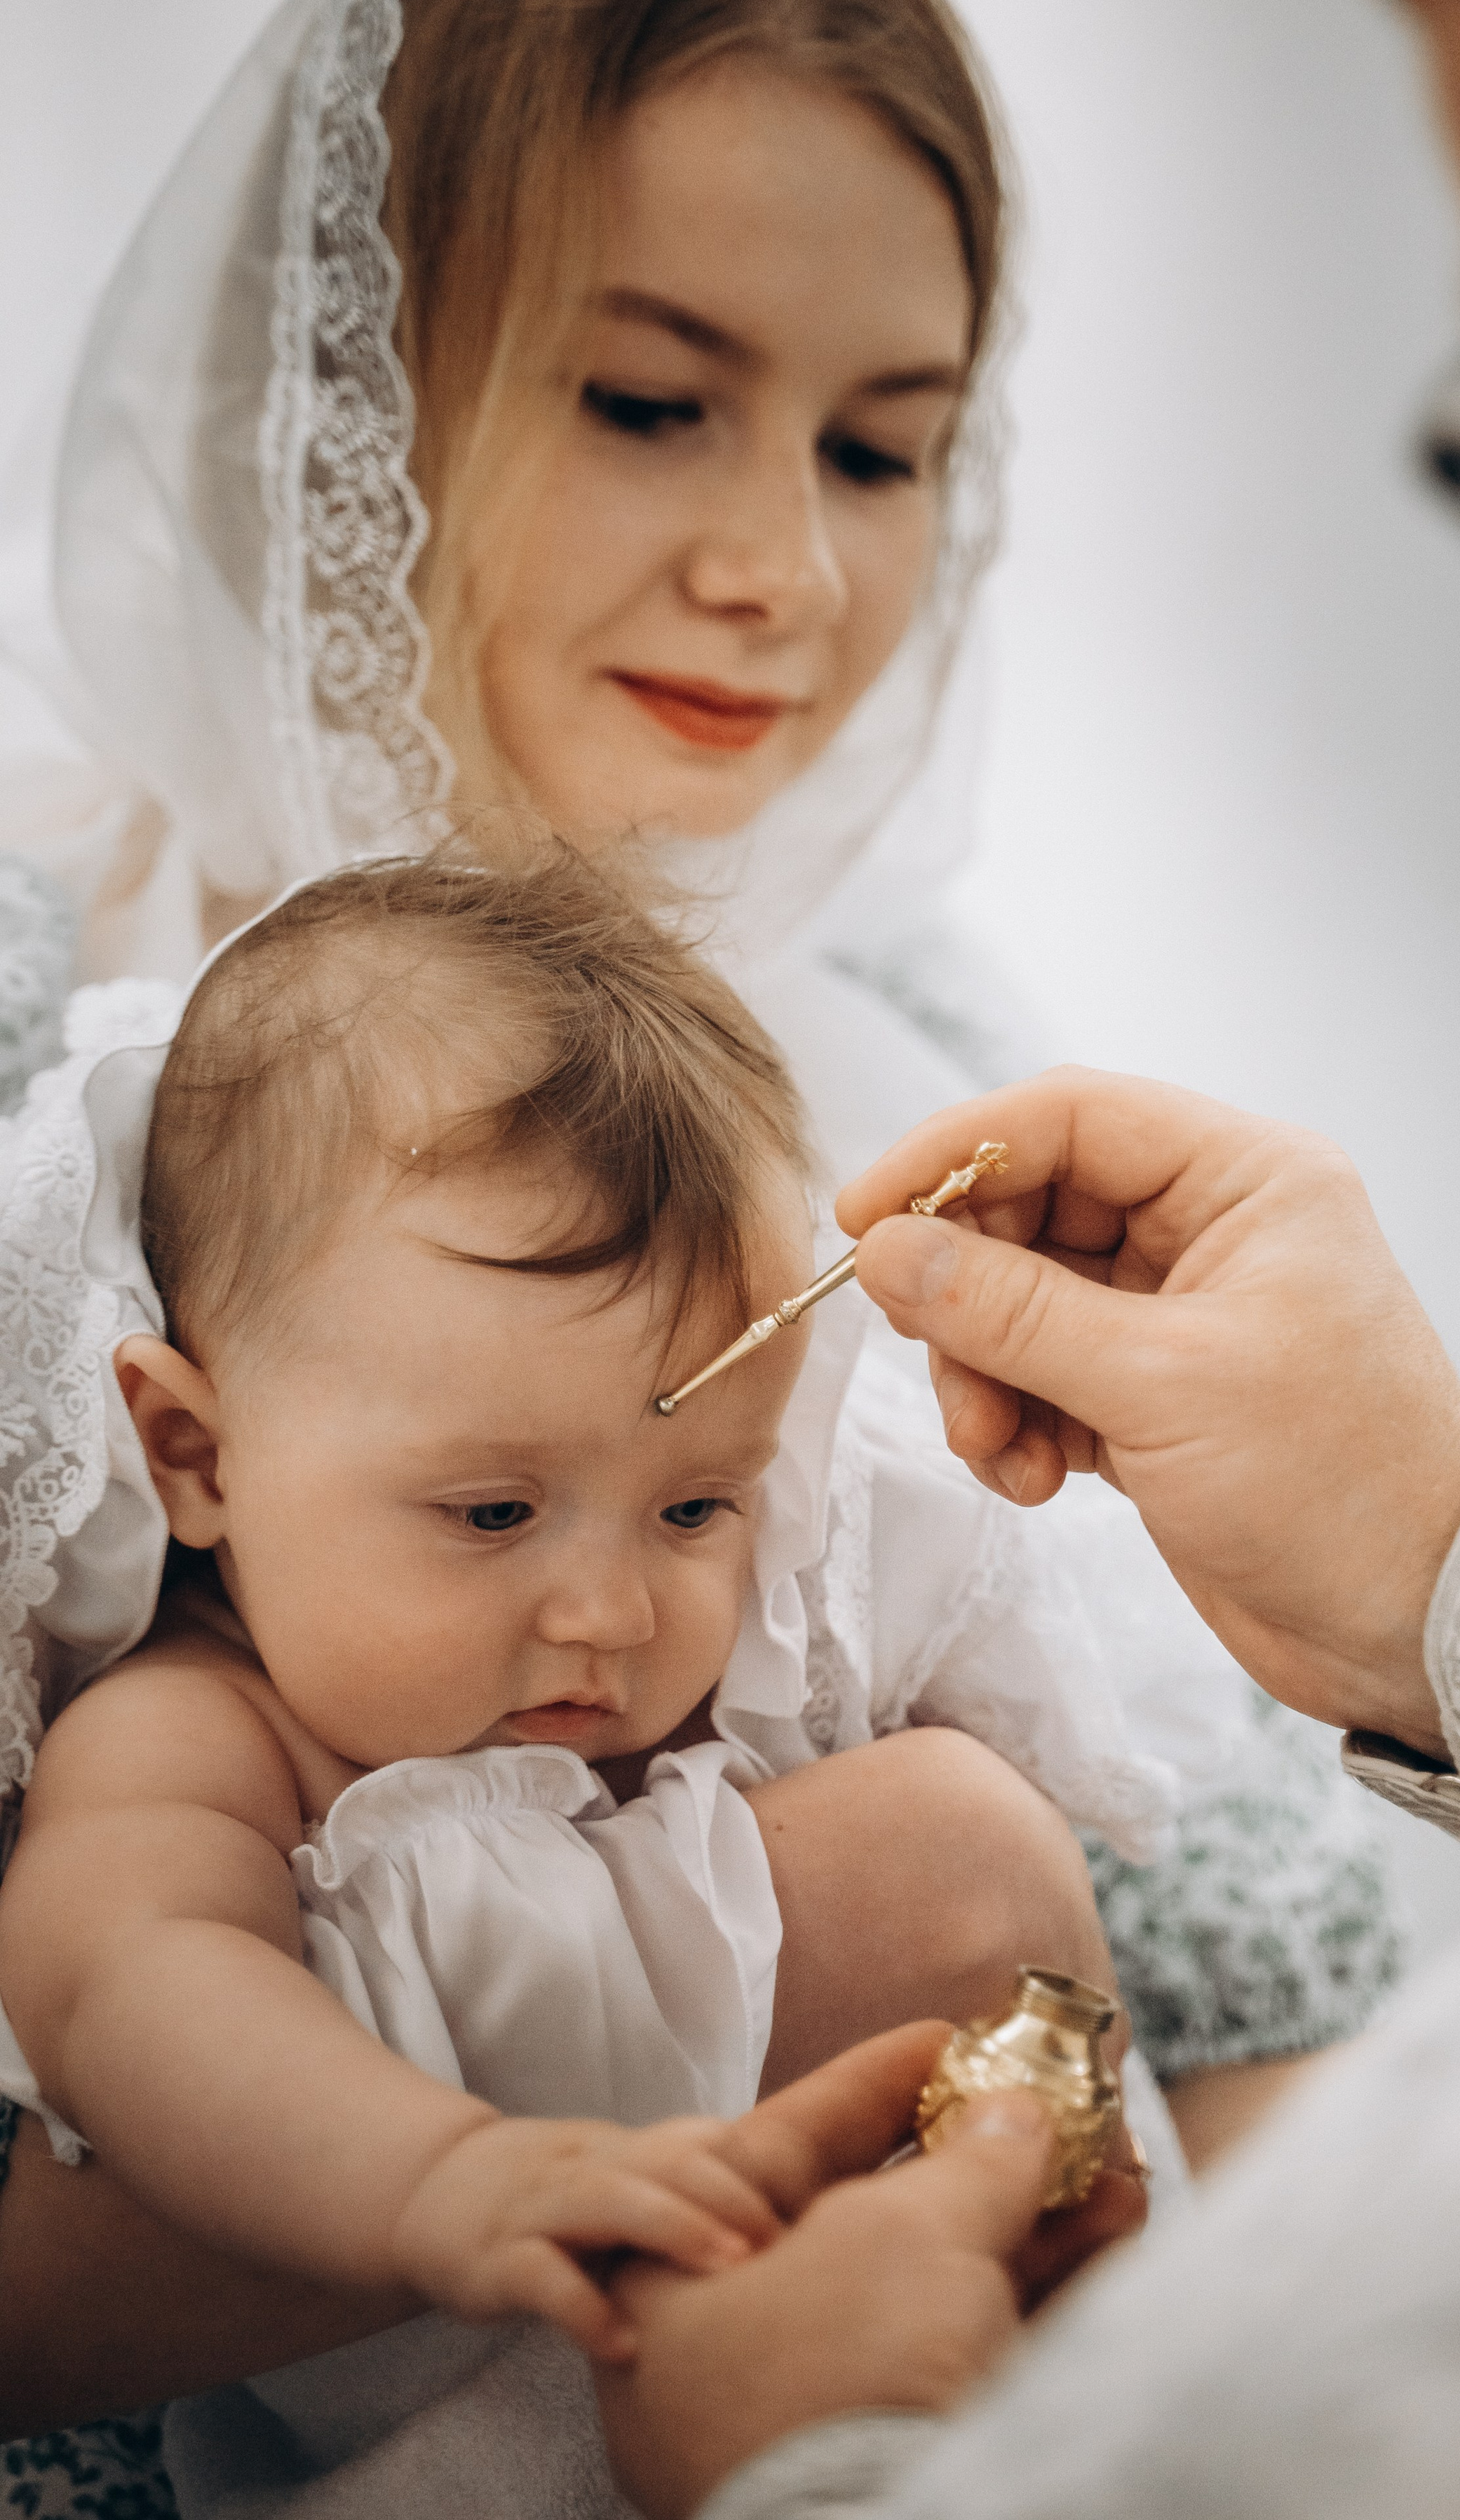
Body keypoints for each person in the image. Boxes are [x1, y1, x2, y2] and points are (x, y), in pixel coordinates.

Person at [0, 0, 1399, 2467]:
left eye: (887, 450)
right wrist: (775, 2044)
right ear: (351, 376)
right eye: (653, 400)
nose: (782, 569)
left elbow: (1253, 2041)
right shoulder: (41, 1044)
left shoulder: (914, 1067)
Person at [544, 0, 1460, 2509]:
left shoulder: (920, 1043)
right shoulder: (90, 1090)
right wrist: (1451, 1558)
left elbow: (1355, 2191)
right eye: (648, 393)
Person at [0, 840, 1169, 2518]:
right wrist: (445, 2176)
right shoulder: (198, 1735)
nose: (615, 1613)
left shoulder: (750, 1676)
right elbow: (134, 2001)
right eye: (491, 1511)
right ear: (192, 1451)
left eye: (699, 1504)